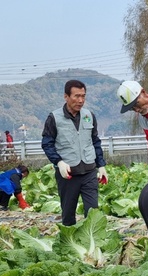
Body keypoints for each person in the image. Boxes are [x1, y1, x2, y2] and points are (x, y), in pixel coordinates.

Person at [42, 80, 108, 226]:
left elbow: (95, 141)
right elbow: (47, 144)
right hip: (68, 174)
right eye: (76, 96)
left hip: (89, 172)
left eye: (83, 96)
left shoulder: (89, 115)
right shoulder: (54, 118)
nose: (80, 100)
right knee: (68, 214)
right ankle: (70, 244)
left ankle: (92, 244)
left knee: (92, 213)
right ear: (66, 96)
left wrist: (101, 165)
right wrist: (58, 162)